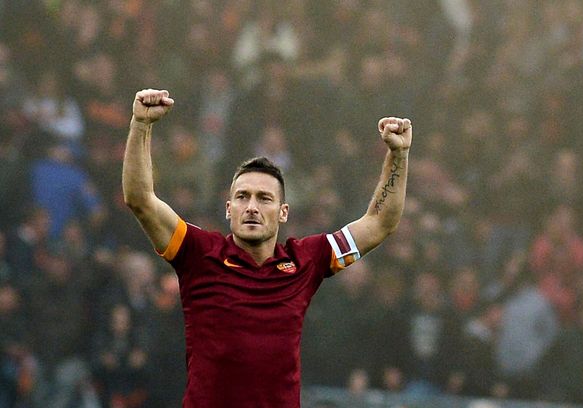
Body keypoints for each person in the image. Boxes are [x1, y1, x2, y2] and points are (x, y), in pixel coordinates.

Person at [121, 89, 412, 408]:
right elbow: (140, 199)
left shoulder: (306, 260)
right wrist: (140, 124)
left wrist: (398, 155)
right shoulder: (199, 253)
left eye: (264, 198)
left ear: (283, 212)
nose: (251, 207)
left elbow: (380, 223)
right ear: (228, 209)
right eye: (242, 197)